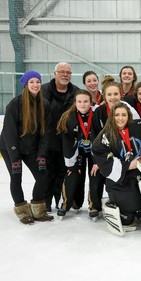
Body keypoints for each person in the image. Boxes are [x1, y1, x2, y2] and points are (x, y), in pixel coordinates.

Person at [0, 70, 54, 224]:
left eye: (37, 81)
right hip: (11, 147)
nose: (35, 85)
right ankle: (23, 211)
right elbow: (8, 132)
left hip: (31, 148)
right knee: (16, 177)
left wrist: (41, 154)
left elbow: (46, 132)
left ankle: (37, 209)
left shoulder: (45, 104)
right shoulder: (15, 104)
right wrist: (15, 156)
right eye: (32, 82)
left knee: (42, 175)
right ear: (25, 85)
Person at [92, 103, 141, 230]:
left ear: (129, 116)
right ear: (112, 116)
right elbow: (101, 155)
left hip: (138, 175)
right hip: (120, 180)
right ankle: (114, 205)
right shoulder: (105, 135)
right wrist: (129, 165)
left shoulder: (138, 127)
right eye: (117, 115)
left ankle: (138, 208)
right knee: (127, 220)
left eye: (124, 115)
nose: (120, 118)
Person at [56, 90, 103, 220]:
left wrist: (98, 161)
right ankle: (68, 204)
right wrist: (71, 164)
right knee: (73, 175)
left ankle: (94, 206)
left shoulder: (96, 116)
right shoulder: (69, 118)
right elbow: (67, 143)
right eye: (80, 101)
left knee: (95, 176)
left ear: (91, 102)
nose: (83, 104)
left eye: (86, 101)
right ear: (75, 103)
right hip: (77, 153)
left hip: (94, 152)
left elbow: (101, 139)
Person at [42, 62, 79, 212]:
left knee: (63, 174)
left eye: (68, 72)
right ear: (55, 73)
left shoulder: (76, 92)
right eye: (62, 72)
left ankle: (60, 201)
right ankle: (45, 202)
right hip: (47, 141)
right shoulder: (43, 90)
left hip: (67, 142)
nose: (65, 75)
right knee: (47, 174)